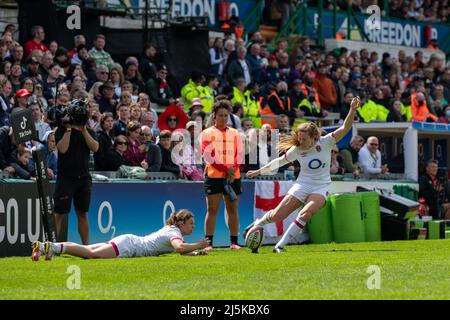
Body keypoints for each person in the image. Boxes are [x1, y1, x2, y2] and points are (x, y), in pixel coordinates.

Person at [244, 96, 361, 253]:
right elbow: (278, 162)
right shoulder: (297, 149)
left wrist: (352, 109)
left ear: (314, 138)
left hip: (321, 186)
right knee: (278, 215)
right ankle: (259, 223)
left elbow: (345, 128)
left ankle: (279, 246)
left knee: (306, 213)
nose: (300, 141)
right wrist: (258, 171)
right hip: (302, 184)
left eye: (304, 139)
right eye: (299, 138)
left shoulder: (326, 142)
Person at [31, 209, 210, 260]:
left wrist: (196, 252)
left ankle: (48, 248)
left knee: (87, 249)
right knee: (90, 255)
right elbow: (179, 248)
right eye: (191, 223)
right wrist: (198, 245)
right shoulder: (175, 233)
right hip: (129, 246)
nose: (193, 227)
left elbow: (182, 249)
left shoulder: (173, 231)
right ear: (181, 223)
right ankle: (52, 247)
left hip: (128, 241)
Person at [53, 99, 99, 245]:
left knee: (82, 213)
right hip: (66, 178)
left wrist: (84, 129)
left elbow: (95, 147)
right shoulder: (61, 130)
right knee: (59, 213)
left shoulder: (89, 131)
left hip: (84, 178)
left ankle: (86, 246)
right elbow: (62, 149)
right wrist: (68, 129)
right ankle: (51, 245)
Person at [201, 100, 244, 250]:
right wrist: (227, 169)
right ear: (214, 116)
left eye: (226, 115)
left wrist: (233, 169)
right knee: (212, 210)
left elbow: (240, 154)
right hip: (214, 176)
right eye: (220, 115)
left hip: (233, 176)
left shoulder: (235, 133)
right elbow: (209, 156)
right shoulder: (206, 133)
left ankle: (234, 242)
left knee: (233, 209)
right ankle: (209, 243)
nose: (224, 118)